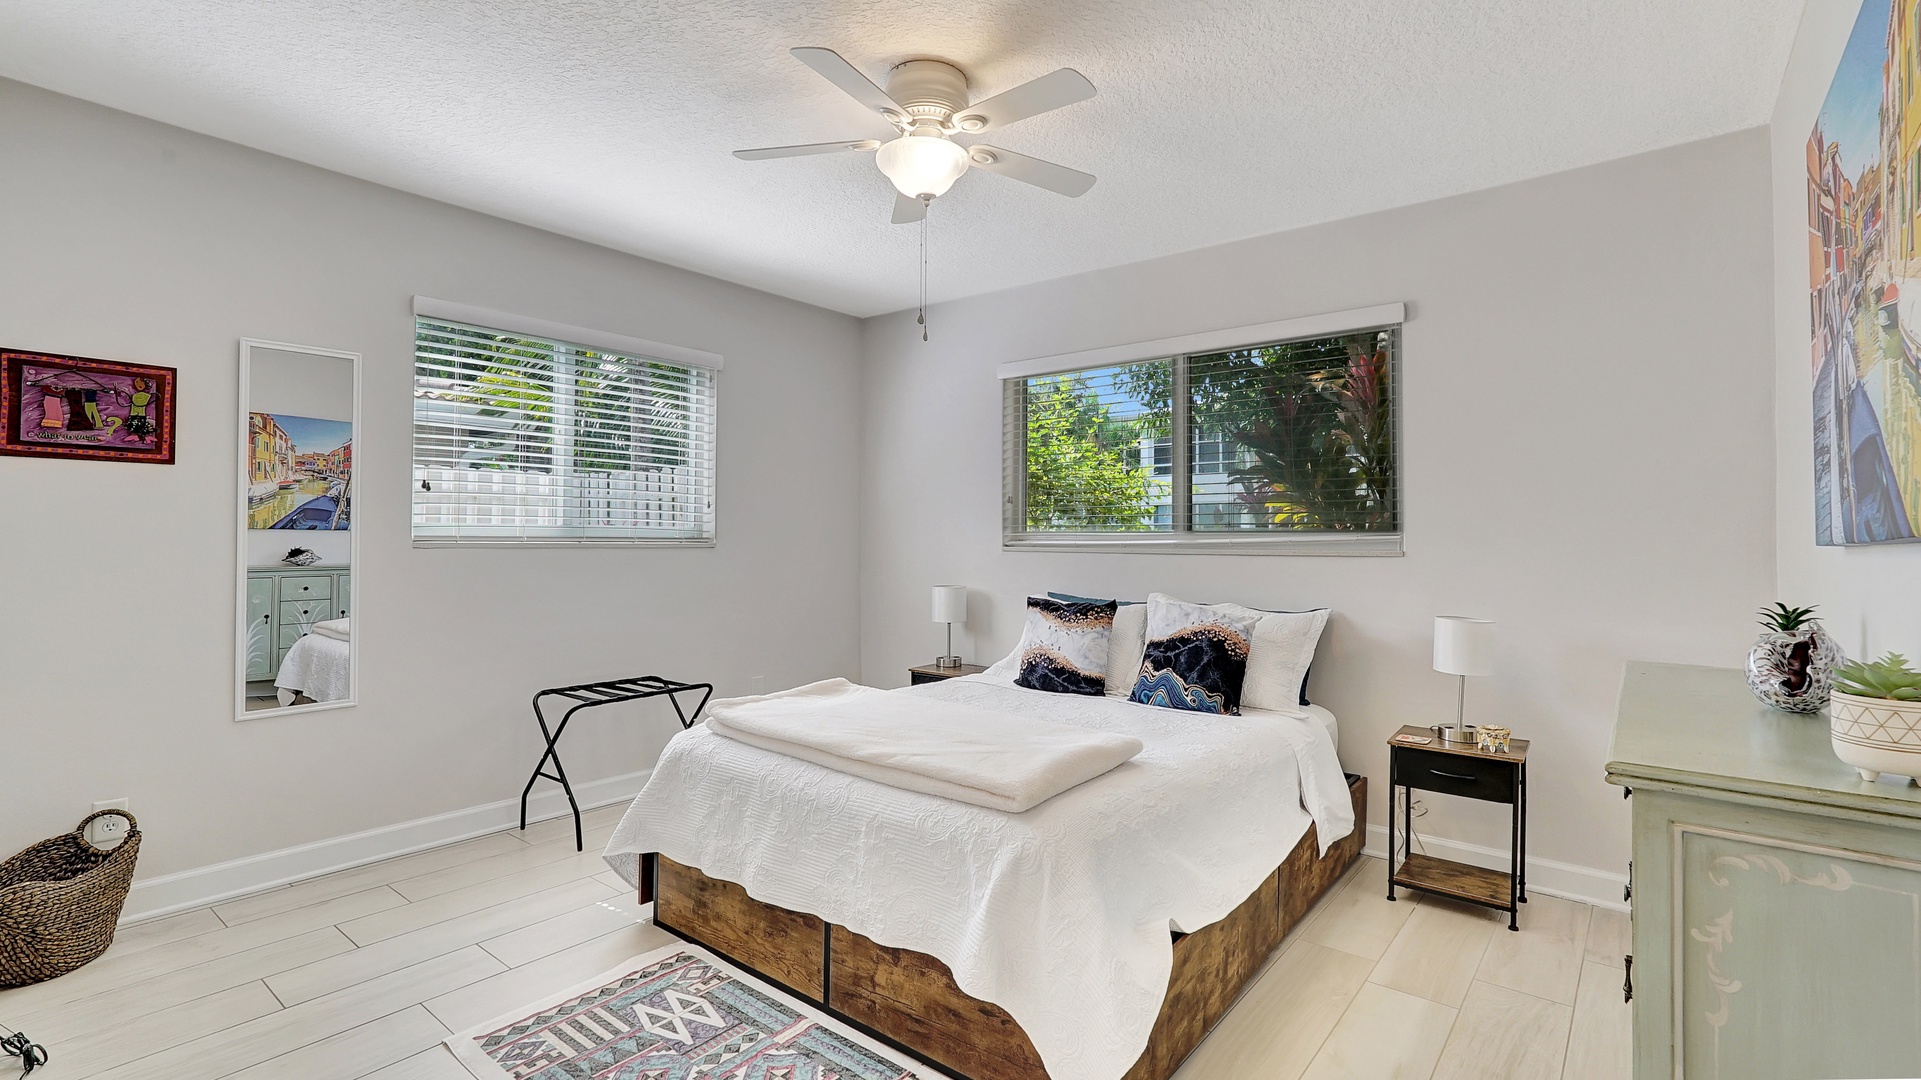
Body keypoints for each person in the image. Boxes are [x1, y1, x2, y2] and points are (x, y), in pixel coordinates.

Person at [124, 378, 157, 442]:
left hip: (140, 413)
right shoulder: (135, 394)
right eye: (137, 382)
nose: (138, 385)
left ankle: (146, 436)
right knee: (135, 423)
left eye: (140, 384)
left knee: (142, 423)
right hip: (134, 413)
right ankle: (135, 435)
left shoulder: (146, 395)